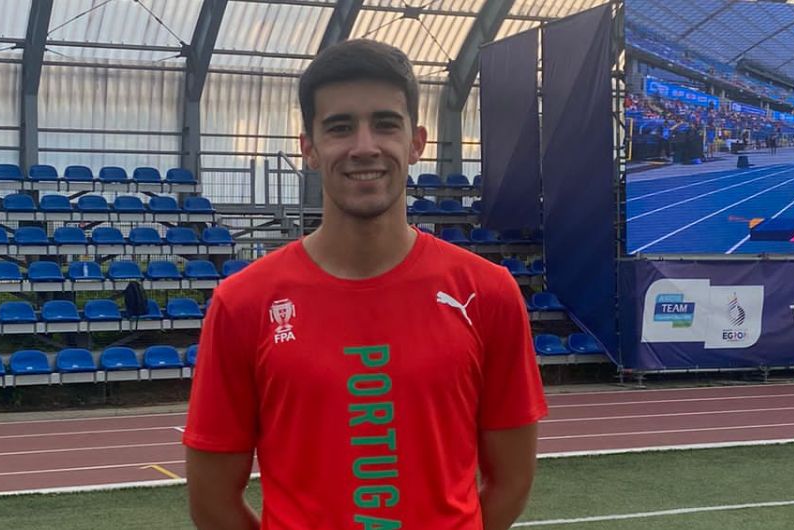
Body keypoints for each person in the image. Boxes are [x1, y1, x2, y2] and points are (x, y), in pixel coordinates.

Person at [182, 39, 548, 530]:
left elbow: (512, 482)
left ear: (417, 142)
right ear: (309, 148)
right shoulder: (243, 303)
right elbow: (212, 502)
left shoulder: (487, 293)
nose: (364, 147)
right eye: (339, 127)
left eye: (385, 124)